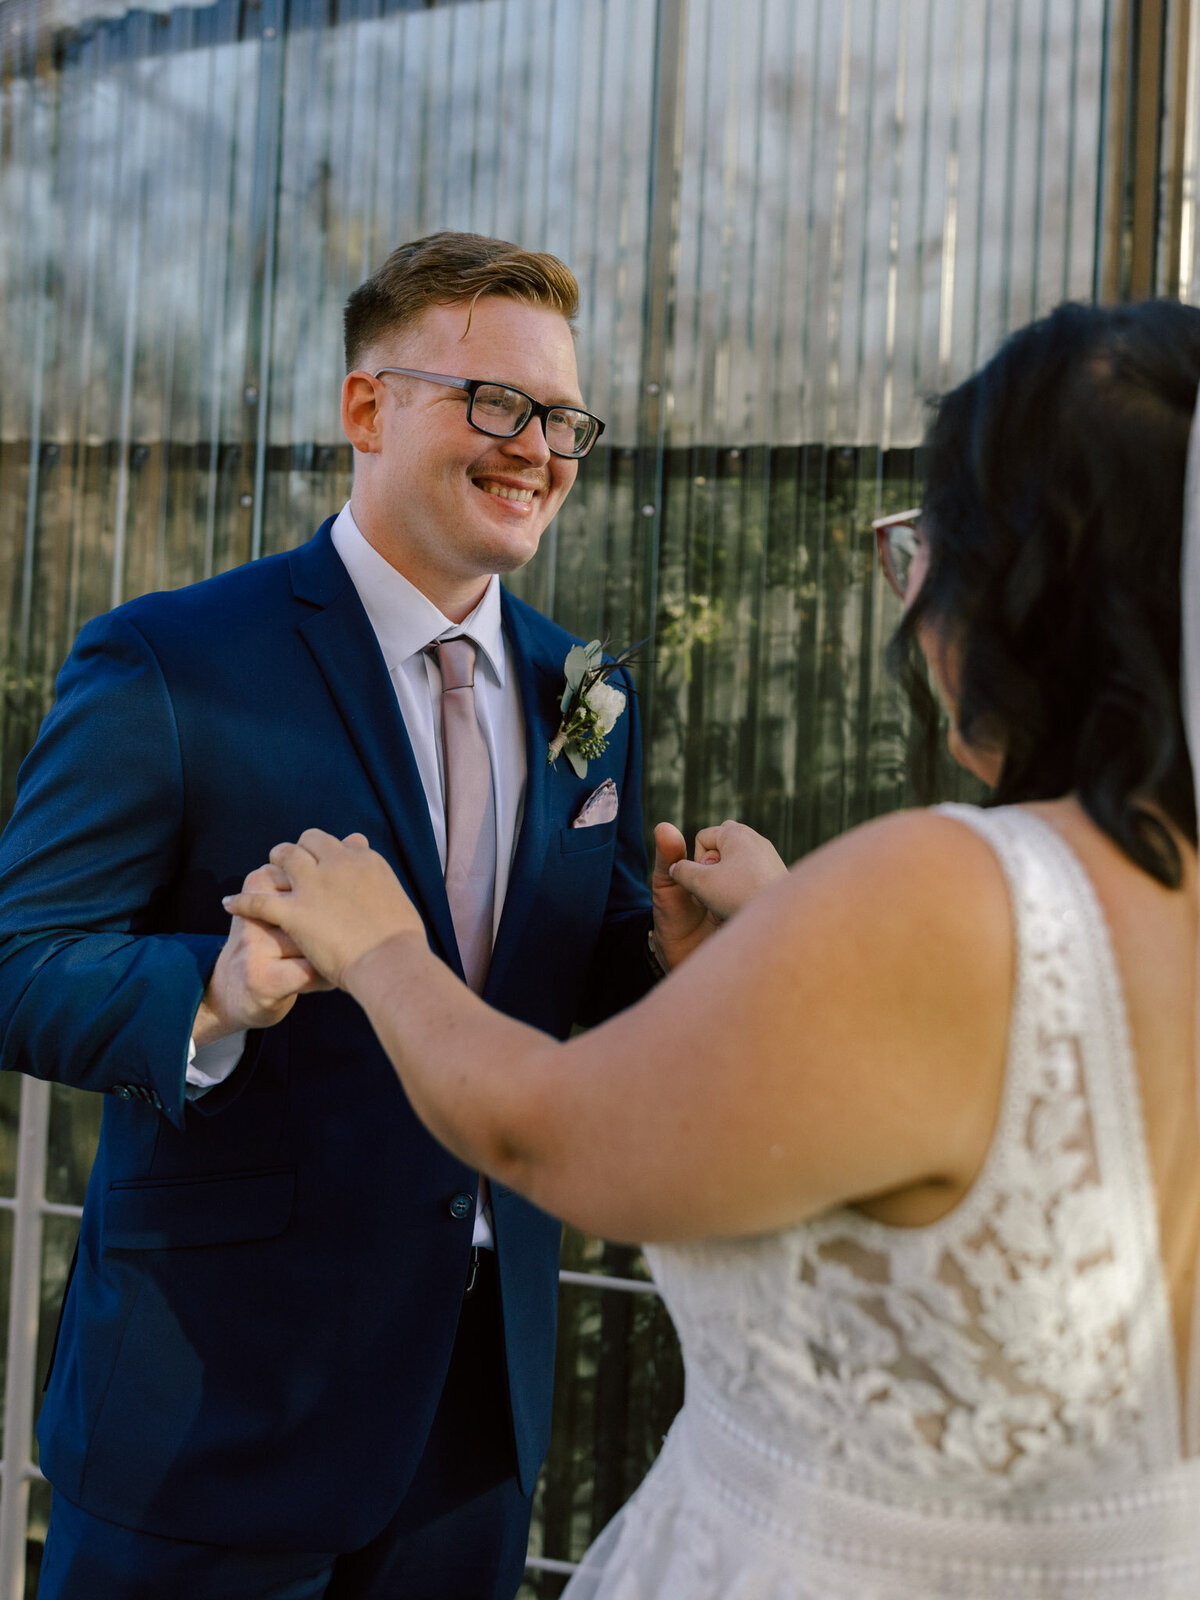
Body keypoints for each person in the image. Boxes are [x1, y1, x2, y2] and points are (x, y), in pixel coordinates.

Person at [229, 297, 1200, 1598]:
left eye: (928, 549)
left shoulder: (951, 883)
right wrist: (793, 936)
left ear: (1028, 583)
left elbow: (546, 1135)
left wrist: (382, 946)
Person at [0, 232, 710, 1600]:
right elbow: (21, 959)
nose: (539, 449)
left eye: (565, 418)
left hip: (470, 1427)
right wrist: (216, 988)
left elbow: (565, 967)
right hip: (210, 1416)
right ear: (366, 409)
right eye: (495, 403)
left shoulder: (588, 695)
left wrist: (669, 949)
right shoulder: (171, 661)